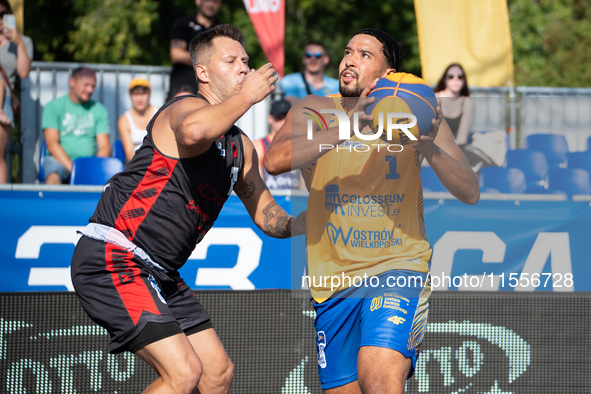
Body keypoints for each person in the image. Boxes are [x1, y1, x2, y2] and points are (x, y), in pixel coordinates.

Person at [70, 24, 305, 394]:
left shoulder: (241, 148)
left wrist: (309, 220)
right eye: (231, 61)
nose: (244, 68)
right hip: (114, 255)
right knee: (183, 374)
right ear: (203, 73)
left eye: (245, 61)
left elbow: (268, 216)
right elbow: (196, 132)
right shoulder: (185, 107)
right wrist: (248, 97)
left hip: (160, 271)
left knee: (217, 374)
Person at [264, 28, 479, 393]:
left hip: (398, 266)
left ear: (388, 74)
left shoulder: (414, 113)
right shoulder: (313, 108)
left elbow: (470, 190)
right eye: (348, 52)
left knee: (378, 380)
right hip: (332, 281)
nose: (350, 60)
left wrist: (429, 147)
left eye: (365, 55)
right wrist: (352, 124)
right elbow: (274, 160)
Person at [42, 67, 110, 184]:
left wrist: (92, 168)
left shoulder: (99, 109)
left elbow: (105, 146)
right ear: (72, 82)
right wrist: (76, 170)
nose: (90, 90)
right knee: (53, 176)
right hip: (58, 161)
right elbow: (52, 143)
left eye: (93, 86)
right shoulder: (53, 107)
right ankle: (53, 201)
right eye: (86, 85)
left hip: (88, 162)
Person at [0, 0, 33, 183]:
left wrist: (18, 43)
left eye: (2, 14)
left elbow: (23, 72)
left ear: (9, 15)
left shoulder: (23, 41)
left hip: (3, 102)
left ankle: (1, 205)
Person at [168, 0, 221, 100]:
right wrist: (210, 61)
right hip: (184, 84)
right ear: (198, 1)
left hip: (213, 87)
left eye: (215, 1)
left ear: (220, 4)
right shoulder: (184, 23)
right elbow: (176, 54)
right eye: (207, 0)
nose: (210, 4)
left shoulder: (222, 29)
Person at [254, 98, 301, 189]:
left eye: (286, 118)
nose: (283, 122)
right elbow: (257, 187)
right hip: (271, 200)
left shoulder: (300, 145)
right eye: (279, 118)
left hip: (295, 201)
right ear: (270, 119)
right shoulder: (259, 146)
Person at [118, 78, 157, 162]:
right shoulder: (124, 120)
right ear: (130, 96)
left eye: (143, 93)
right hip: (136, 165)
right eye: (135, 94)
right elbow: (130, 154)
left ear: (149, 95)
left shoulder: (159, 113)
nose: (139, 98)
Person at [434, 63, 473, 145]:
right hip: (434, 146)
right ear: (445, 79)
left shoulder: (467, 102)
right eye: (451, 76)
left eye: (460, 77)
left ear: (464, 81)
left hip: (456, 147)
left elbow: (462, 139)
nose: (455, 79)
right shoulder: (434, 98)